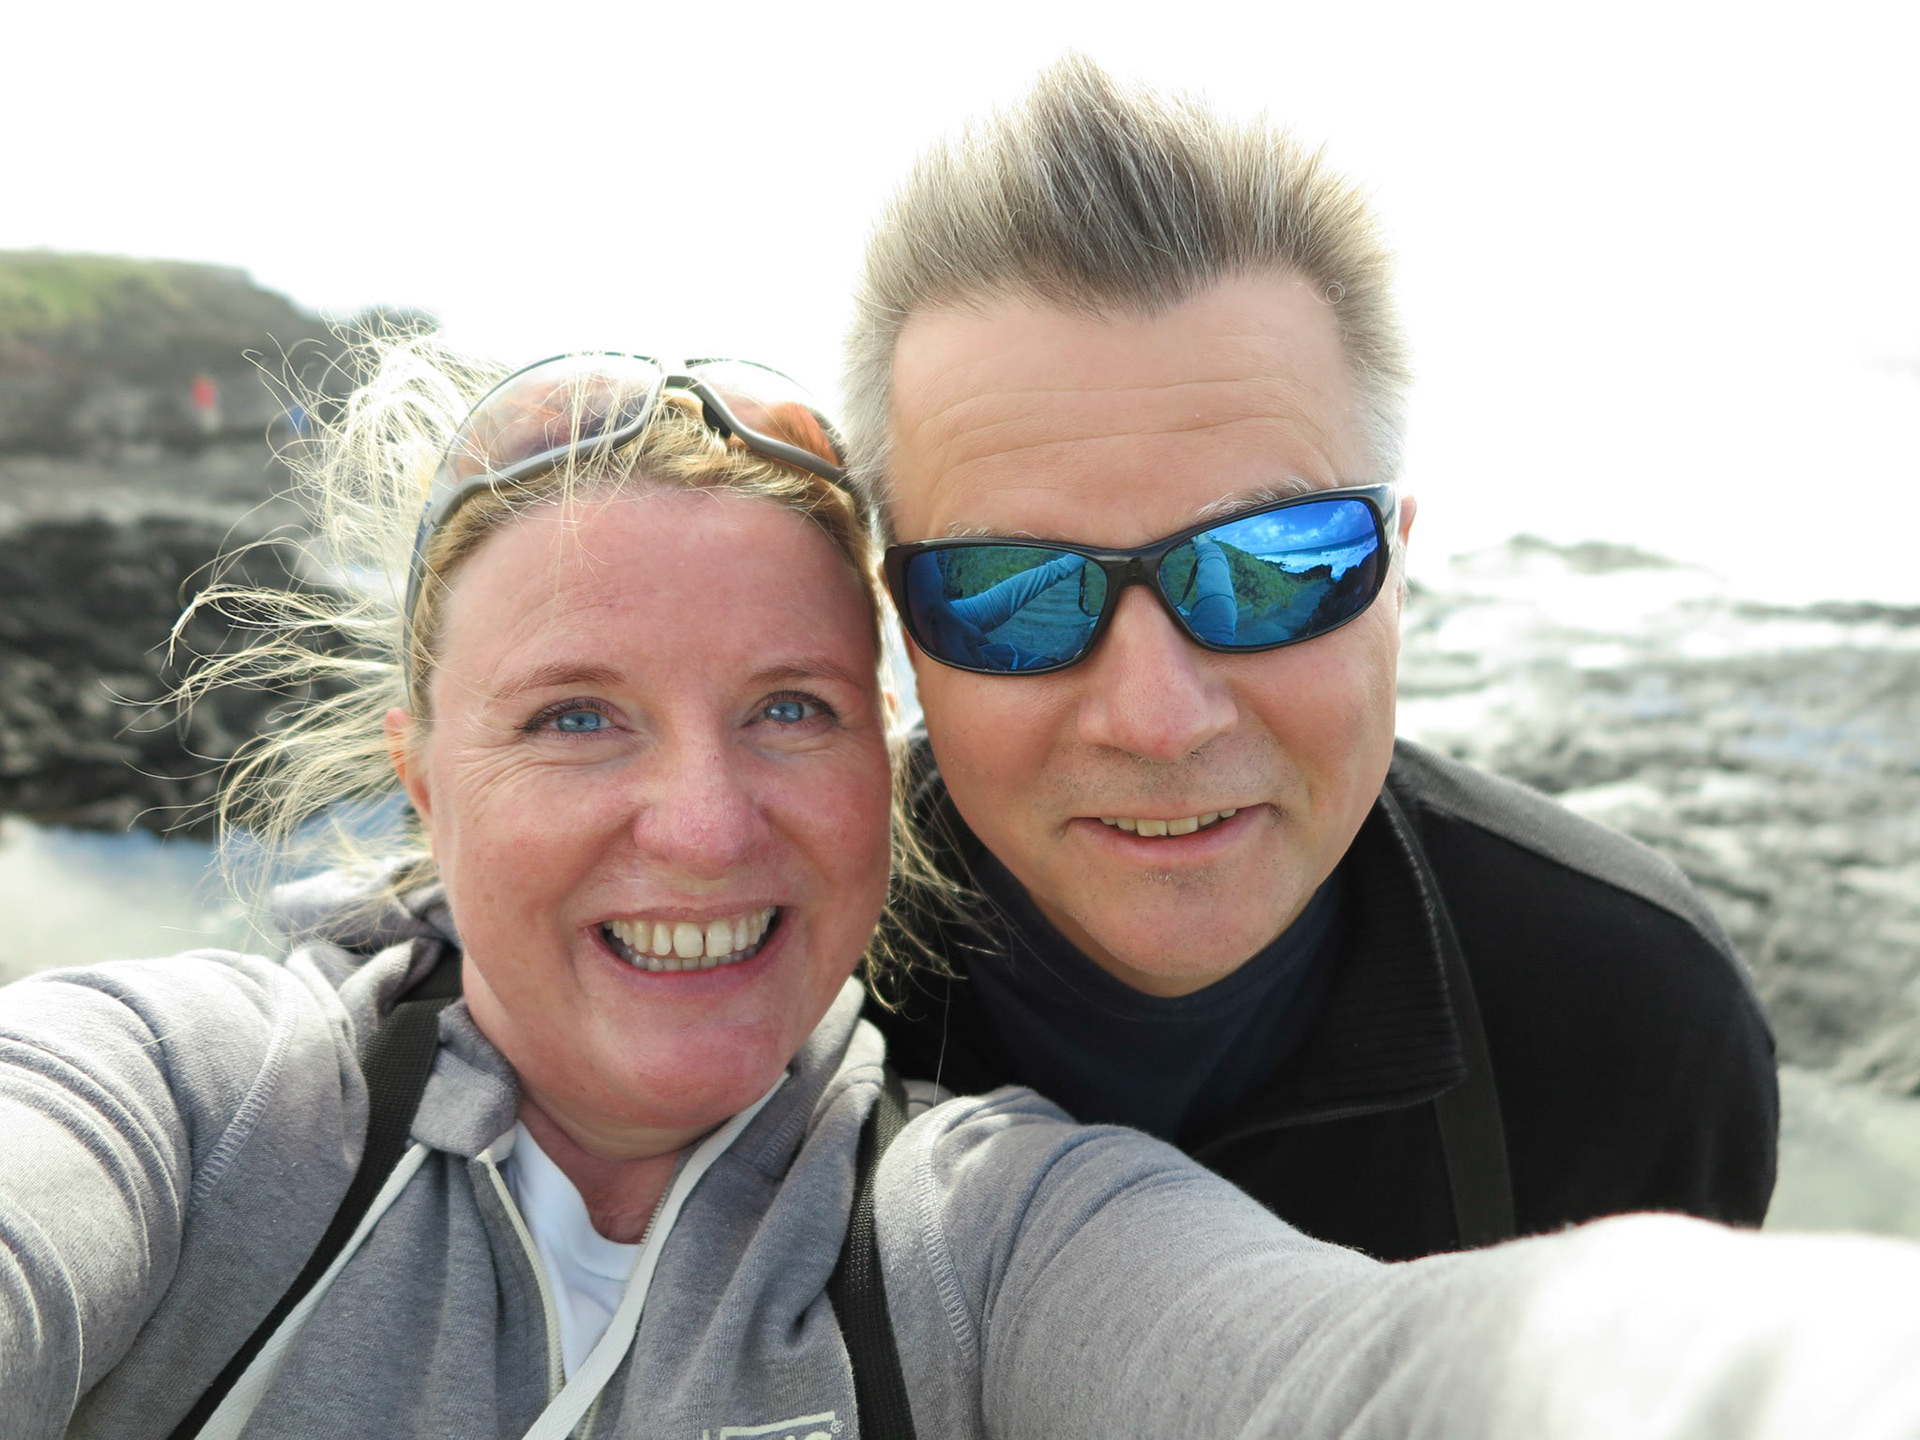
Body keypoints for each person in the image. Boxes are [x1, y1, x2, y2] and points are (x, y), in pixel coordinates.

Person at [7, 342, 1920, 1440]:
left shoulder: (968, 1233)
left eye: (792, 708)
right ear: (423, 774)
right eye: (578, 716)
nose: (704, 824)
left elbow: (1364, 1375)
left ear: (890, 766)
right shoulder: (198, 1113)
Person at [847, 57, 1778, 1257]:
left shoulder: (1630, 1027)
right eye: (1011, 594)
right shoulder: (765, 1000)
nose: (1157, 719)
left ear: (1396, 572)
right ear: (904, 629)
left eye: (1273, 566)